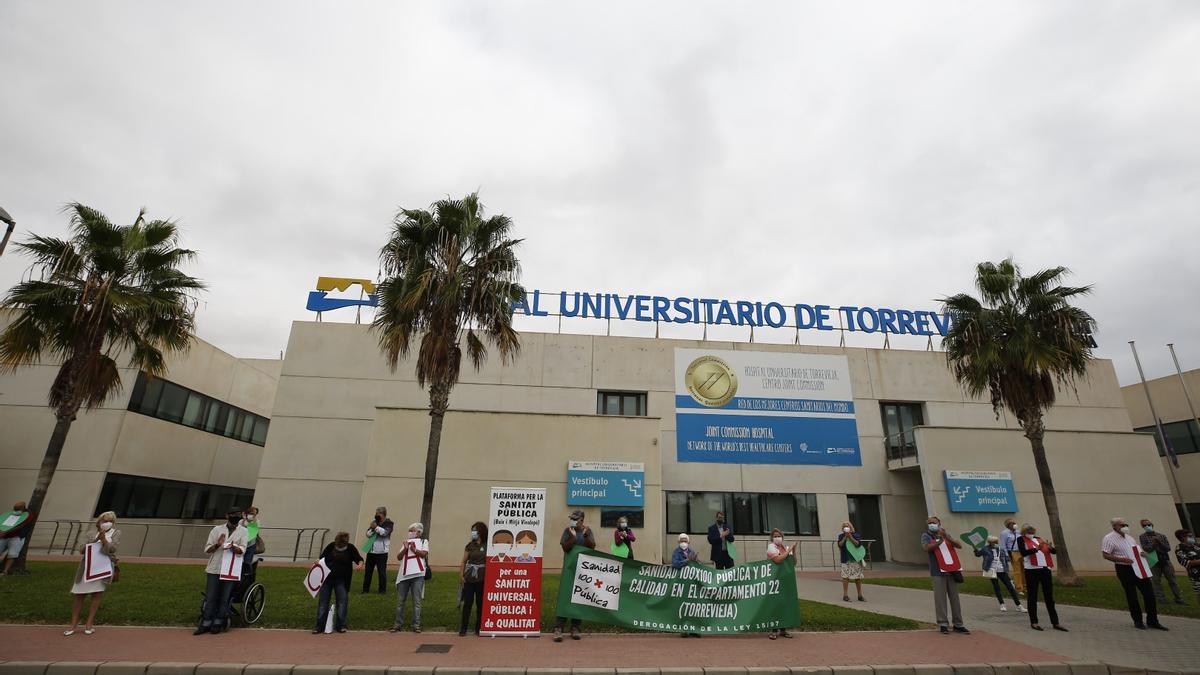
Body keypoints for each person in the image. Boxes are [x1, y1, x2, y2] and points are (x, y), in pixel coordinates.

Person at [1101, 517, 1167, 630]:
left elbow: (1136, 551)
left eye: (1125, 524)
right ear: (1115, 527)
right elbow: (1106, 555)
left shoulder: (1129, 538)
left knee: (1149, 594)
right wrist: (1122, 560)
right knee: (1132, 596)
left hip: (1138, 567)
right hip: (1124, 569)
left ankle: (1153, 620)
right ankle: (1138, 621)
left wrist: (1143, 555)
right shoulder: (1109, 538)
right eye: (1122, 525)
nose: (1125, 526)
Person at [195, 507, 248, 635]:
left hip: (230, 569)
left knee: (225, 597)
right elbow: (207, 549)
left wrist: (234, 547)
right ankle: (206, 621)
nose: (236, 516)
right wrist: (218, 544)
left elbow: (242, 550)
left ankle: (218, 620)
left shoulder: (244, 531)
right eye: (233, 514)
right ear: (227, 515)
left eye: (238, 514)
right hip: (215, 568)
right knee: (211, 596)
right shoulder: (217, 529)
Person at [64, 511, 119, 636]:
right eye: (105, 520)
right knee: (79, 596)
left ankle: (89, 624)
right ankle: (73, 624)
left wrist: (104, 540)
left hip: (102, 568)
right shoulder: (91, 533)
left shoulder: (115, 533)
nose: (107, 523)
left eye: (110, 521)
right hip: (87, 568)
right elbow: (82, 549)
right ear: (99, 522)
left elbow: (112, 549)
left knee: (96, 595)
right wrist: (94, 541)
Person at [921, 515, 969, 635]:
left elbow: (959, 545)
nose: (932, 524)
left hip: (951, 570)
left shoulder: (946, 534)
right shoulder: (926, 535)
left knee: (954, 598)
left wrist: (946, 536)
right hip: (938, 571)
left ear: (939, 523)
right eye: (930, 523)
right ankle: (943, 623)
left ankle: (958, 624)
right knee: (940, 599)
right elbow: (927, 548)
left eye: (934, 522)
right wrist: (940, 541)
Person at [553, 509, 595, 642]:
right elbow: (565, 548)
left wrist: (586, 536)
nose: (573, 521)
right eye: (572, 518)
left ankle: (575, 627)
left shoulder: (587, 531)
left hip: (582, 571)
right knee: (565, 596)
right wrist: (573, 537)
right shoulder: (567, 531)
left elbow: (592, 547)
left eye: (576, 519)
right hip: (569, 570)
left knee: (578, 597)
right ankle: (558, 628)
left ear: (582, 520)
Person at [1016, 524, 1066, 632]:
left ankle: (1055, 622)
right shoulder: (1021, 539)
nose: (1031, 532)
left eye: (1032, 530)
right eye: (1028, 531)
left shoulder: (1039, 539)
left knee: (1049, 596)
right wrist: (1035, 549)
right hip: (1032, 570)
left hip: (1045, 569)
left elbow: (1053, 552)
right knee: (1033, 596)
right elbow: (1023, 553)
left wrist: (1052, 548)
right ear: (1024, 532)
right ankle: (1034, 622)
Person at [314, 531, 364, 634]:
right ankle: (319, 626)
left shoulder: (350, 548)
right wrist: (317, 562)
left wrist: (360, 564)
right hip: (327, 579)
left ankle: (341, 625)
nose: (341, 546)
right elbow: (321, 558)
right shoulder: (331, 546)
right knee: (323, 603)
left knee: (342, 603)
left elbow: (359, 559)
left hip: (342, 580)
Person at [390, 522, 429, 634]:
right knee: (400, 601)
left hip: (417, 574)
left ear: (418, 532)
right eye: (410, 530)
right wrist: (405, 549)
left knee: (416, 601)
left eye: (412, 530)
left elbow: (423, 554)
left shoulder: (423, 541)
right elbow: (399, 557)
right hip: (404, 575)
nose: (410, 532)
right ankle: (397, 624)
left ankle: (416, 624)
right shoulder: (406, 542)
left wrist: (414, 549)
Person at [1139, 518, 1186, 605]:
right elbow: (1146, 549)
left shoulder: (1161, 535)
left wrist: (1159, 542)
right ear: (1143, 527)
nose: (1147, 526)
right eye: (1144, 525)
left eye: (1148, 524)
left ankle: (1179, 599)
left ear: (1152, 525)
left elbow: (1168, 548)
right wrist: (1154, 544)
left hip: (1165, 560)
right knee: (1156, 582)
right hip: (1154, 562)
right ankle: (1162, 600)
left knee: (1172, 581)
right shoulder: (1142, 537)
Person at [973, 535, 1024, 613]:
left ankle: (1018, 605)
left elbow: (1005, 558)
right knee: (996, 587)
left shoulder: (1000, 549)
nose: (994, 543)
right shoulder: (985, 549)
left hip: (1002, 570)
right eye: (992, 542)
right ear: (989, 542)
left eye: (995, 542)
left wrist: (1012, 558)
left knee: (1010, 587)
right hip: (991, 571)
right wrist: (975, 549)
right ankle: (1002, 604)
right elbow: (978, 554)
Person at [766, 528, 796, 640]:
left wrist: (794, 551)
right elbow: (777, 560)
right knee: (775, 604)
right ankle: (774, 630)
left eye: (779, 535)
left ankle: (784, 629)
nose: (777, 537)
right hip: (775, 580)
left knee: (785, 604)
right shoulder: (771, 547)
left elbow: (793, 562)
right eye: (775, 536)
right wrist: (788, 552)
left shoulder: (786, 547)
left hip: (786, 580)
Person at [459, 521, 488, 636]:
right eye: (472, 530)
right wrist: (461, 575)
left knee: (480, 604)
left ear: (481, 531)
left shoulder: (487, 545)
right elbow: (464, 561)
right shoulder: (470, 545)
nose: (473, 532)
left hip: (482, 578)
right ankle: (463, 628)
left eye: (475, 530)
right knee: (467, 604)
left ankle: (478, 628)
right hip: (469, 578)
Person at [671, 533, 702, 637]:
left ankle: (694, 629)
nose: (683, 542)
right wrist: (687, 560)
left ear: (688, 542)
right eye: (682, 540)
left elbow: (698, 566)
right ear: (678, 542)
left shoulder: (692, 552)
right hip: (682, 583)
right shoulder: (676, 552)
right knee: (683, 606)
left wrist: (697, 561)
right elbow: (675, 564)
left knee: (694, 606)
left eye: (685, 540)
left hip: (692, 584)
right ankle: (684, 630)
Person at [362, 506, 394, 594]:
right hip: (371, 551)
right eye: (376, 514)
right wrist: (372, 528)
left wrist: (376, 527)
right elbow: (368, 535)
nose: (376, 515)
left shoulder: (389, 523)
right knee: (368, 572)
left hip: (382, 552)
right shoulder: (374, 522)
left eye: (378, 514)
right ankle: (365, 590)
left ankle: (382, 590)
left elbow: (384, 533)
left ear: (383, 515)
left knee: (382, 572)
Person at [1, 501, 33, 576]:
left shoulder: (28, 515)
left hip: (17, 537)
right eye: (15, 508)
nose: (16, 510)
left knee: (12, 554)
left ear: (23, 508)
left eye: (18, 508)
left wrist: (5, 531)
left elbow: (21, 526)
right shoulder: (9, 514)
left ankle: (5, 571)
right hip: (4, 537)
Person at [837, 521, 867, 602]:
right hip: (846, 560)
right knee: (845, 577)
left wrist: (850, 537)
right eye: (844, 526)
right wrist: (845, 537)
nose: (846, 528)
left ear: (851, 527)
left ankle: (860, 595)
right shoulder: (841, 536)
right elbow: (840, 545)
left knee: (857, 578)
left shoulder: (856, 535)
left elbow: (857, 544)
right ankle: (845, 595)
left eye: (847, 526)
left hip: (855, 560)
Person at [999, 518, 1025, 596]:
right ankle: (1019, 588)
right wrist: (1007, 555)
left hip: (1021, 552)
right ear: (1007, 525)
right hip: (1012, 552)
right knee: (1017, 571)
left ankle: (1024, 585)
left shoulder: (1018, 532)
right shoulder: (1004, 533)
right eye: (1011, 523)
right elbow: (1003, 545)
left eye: (1014, 523)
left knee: (1023, 569)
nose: (1013, 524)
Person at [1173, 529, 1200, 599]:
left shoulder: (1196, 545)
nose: (1192, 537)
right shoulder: (1179, 549)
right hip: (1196, 576)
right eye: (1190, 536)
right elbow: (1185, 562)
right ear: (1182, 537)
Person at [242, 506, 266, 573]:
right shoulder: (241, 521)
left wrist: (254, 523)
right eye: (251, 513)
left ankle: (246, 575)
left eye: (255, 514)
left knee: (247, 562)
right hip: (241, 544)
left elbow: (255, 531)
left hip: (251, 545)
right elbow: (240, 530)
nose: (253, 515)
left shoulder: (257, 522)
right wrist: (244, 519)